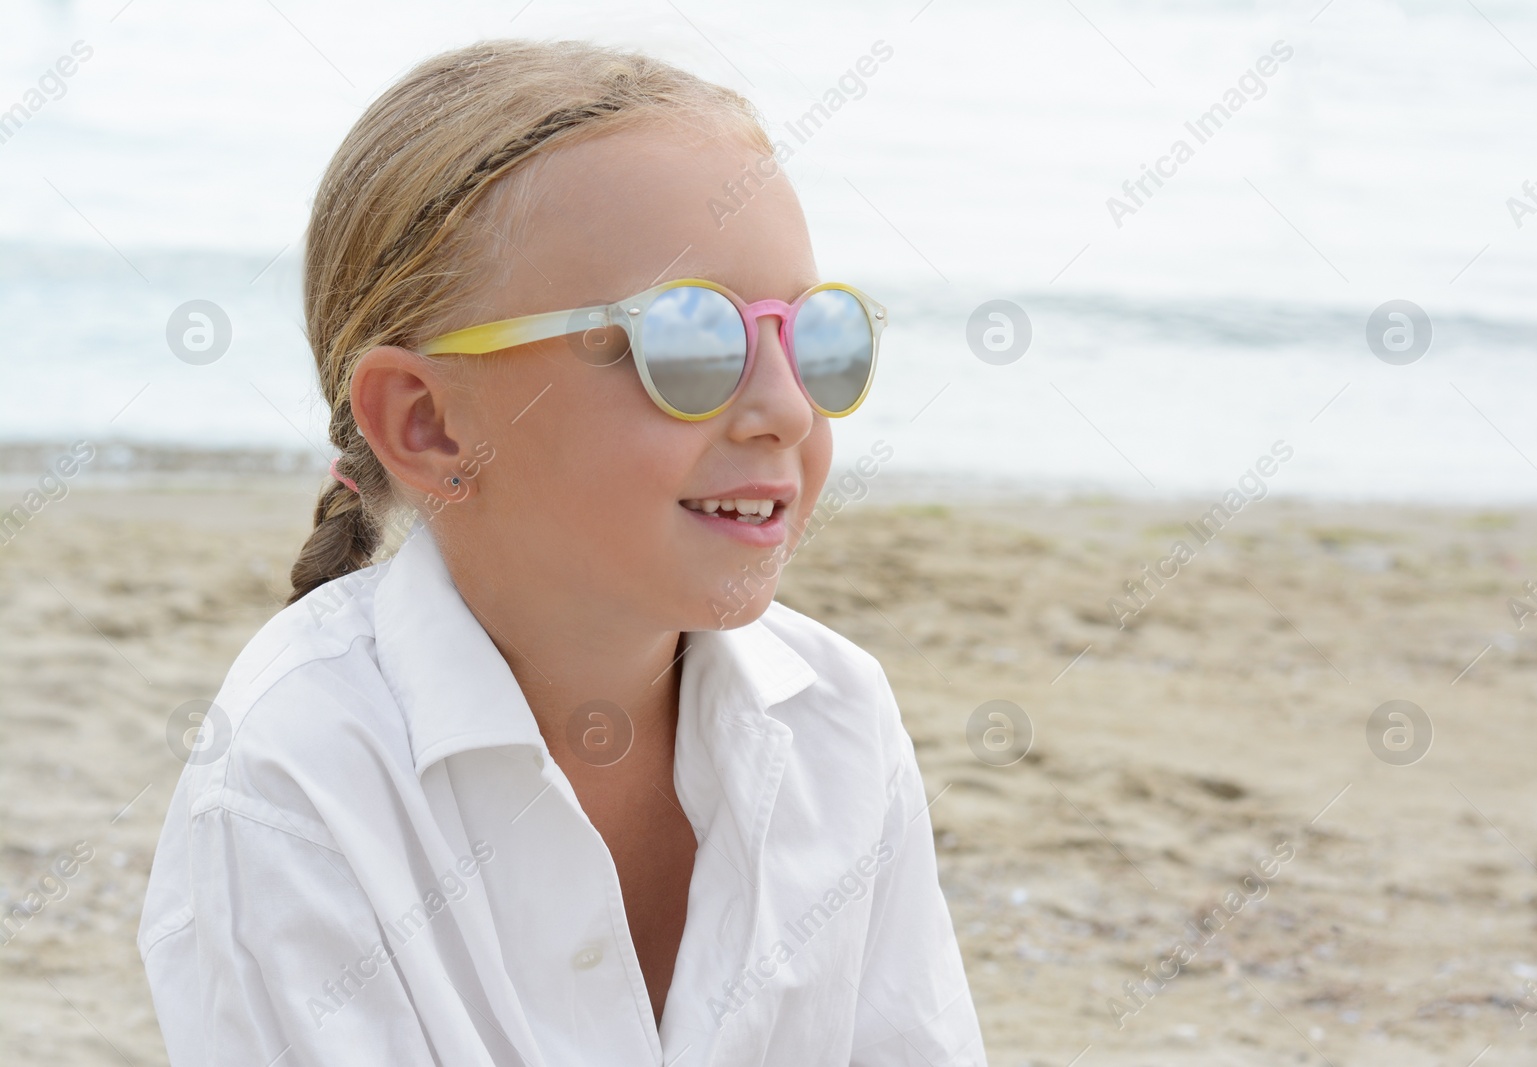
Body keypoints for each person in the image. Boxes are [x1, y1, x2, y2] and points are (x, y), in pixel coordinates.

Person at [137, 38, 985, 1066]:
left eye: (815, 338)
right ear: (429, 425)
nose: (781, 408)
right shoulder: (296, 777)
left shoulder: (837, 719)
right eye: (691, 344)